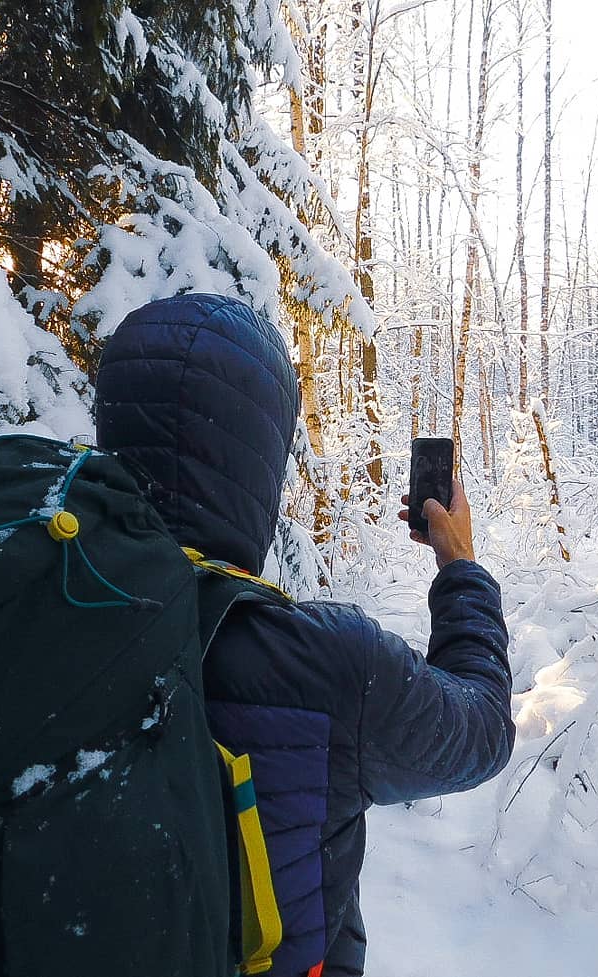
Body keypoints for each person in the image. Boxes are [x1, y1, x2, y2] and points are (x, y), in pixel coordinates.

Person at [95, 293, 514, 977]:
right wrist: (459, 565)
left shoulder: (19, 622)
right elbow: (481, 730)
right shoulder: (327, 663)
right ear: (256, 460)